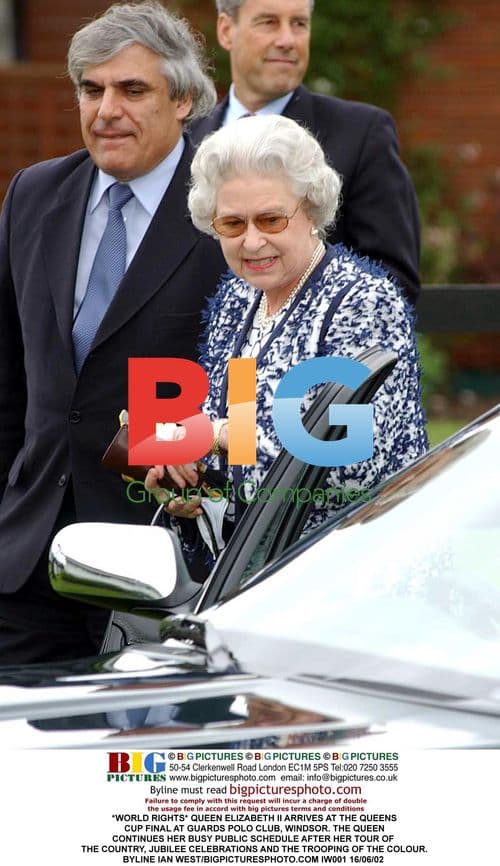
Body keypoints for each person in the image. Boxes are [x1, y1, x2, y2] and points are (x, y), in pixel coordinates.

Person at [0, 1, 227, 664]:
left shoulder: (228, 212)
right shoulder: (34, 194)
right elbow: (8, 376)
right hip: (28, 560)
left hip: (164, 565)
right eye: (91, 89)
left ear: (183, 101)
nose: (106, 111)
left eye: (132, 90)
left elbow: (249, 378)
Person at [145, 115, 428, 576]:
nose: (252, 241)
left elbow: (352, 463)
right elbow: (239, 445)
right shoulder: (238, 300)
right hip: (250, 581)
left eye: (271, 219)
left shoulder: (363, 302)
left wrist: (211, 435)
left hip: (355, 578)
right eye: (232, 223)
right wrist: (189, 484)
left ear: (311, 210)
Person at [189, 0, 421, 304]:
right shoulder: (186, 137)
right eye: (269, 22)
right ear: (226, 30)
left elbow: (391, 281)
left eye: (299, 23)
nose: (287, 40)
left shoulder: (362, 133)